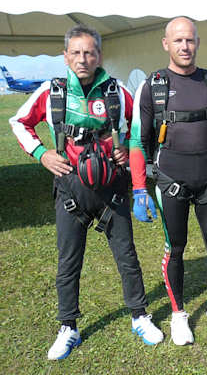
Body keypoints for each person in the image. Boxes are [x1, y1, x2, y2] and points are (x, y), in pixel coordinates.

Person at [9, 24, 163, 360]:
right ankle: (68, 327)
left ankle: (140, 316)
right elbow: (19, 122)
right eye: (76, 53)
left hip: (112, 188)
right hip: (71, 189)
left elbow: (142, 127)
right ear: (65, 56)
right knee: (68, 261)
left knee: (127, 257)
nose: (83, 59)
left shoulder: (116, 91)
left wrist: (128, 149)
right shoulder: (52, 92)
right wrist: (42, 153)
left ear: (99, 56)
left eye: (89, 53)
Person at [129, 17, 207, 346]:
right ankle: (178, 314)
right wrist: (139, 188)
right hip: (171, 181)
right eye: (178, 40)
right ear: (166, 44)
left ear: (198, 42)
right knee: (175, 248)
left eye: (189, 40)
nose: (185, 46)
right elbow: (138, 140)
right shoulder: (153, 86)